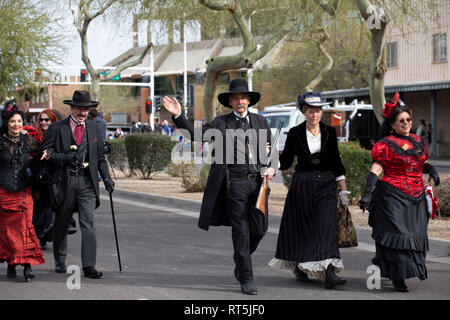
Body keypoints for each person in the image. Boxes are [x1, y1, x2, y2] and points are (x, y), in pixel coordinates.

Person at [163, 78, 276, 295]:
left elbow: (270, 154)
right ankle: (246, 276)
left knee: (260, 230)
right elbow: (195, 135)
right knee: (241, 232)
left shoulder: (261, 122)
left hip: (258, 185)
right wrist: (178, 115)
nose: (240, 101)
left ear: (249, 100)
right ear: (230, 102)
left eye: (243, 97)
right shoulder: (220, 123)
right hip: (234, 186)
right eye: (235, 98)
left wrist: (271, 169)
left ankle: (240, 257)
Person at [359, 92, 440, 292]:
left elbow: (420, 162)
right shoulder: (385, 144)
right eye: (401, 121)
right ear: (392, 124)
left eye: (408, 120)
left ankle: (391, 265)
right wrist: (367, 194)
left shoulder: (418, 141)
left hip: (417, 197)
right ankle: (397, 276)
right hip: (392, 196)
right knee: (399, 234)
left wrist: (431, 169)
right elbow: (376, 170)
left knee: (415, 234)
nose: (406, 123)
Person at [268, 92, 349, 289]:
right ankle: (299, 266)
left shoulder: (330, 132)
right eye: (311, 111)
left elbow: (336, 162)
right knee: (301, 226)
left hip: (326, 185)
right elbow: (286, 162)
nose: (314, 115)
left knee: (326, 226)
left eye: (318, 111)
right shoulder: (295, 133)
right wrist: (270, 157)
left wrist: (344, 191)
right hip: (302, 184)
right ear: (304, 112)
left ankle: (329, 272)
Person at [40, 90, 115, 279]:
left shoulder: (94, 127)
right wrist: (62, 157)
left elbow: (99, 158)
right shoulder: (57, 128)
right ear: (72, 108)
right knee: (62, 222)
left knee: (88, 223)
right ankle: (59, 260)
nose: (83, 112)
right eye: (79, 108)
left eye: (86, 109)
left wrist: (107, 179)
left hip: (87, 182)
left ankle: (89, 266)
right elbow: (46, 154)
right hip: (64, 182)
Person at [0, 99, 45, 282]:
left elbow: (44, 148)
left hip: (24, 191)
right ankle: (12, 263)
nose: (16, 124)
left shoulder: (29, 140)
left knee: (26, 227)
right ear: (7, 123)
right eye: (13, 121)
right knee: (9, 231)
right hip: (3, 191)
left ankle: (27, 266)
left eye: (19, 121)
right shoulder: (0, 142)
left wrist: (47, 154)